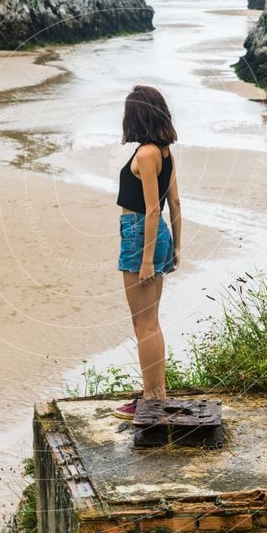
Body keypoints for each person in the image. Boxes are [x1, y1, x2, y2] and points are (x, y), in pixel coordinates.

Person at [114, 85, 182, 420]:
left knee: (143, 324)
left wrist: (145, 258)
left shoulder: (145, 155)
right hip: (158, 236)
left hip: (141, 234)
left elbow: (153, 209)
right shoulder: (165, 152)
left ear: (137, 116)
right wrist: (177, 244)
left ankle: (151, 399)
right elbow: (175, 203)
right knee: (151, 322)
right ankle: (157, 394)